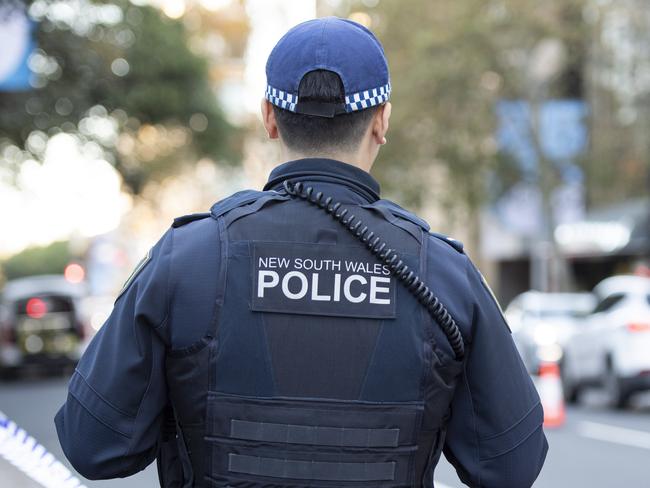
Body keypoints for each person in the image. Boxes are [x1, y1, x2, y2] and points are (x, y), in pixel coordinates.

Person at [55, 17, 547, 488]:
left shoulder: (187, 257)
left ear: (268, 117)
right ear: (382, 120)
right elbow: (512, 467)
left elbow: (93, 444)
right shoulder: (442, 273)